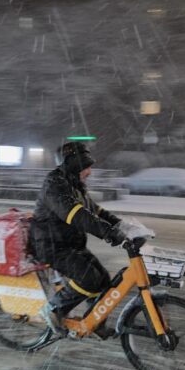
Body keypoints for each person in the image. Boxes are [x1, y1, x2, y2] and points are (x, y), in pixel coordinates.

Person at [30, 141, 126, 335]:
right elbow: (77, 215)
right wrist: (107, 233)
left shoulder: (75, 185)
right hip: (52, 246)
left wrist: (121, 225)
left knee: (104, 280)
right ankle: (53, 310)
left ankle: (95, 321)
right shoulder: (54, 184)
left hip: (70, 244)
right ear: (74, 165)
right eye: (86, 167)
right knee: (88, 278)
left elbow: (94, 210)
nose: (89, 172)